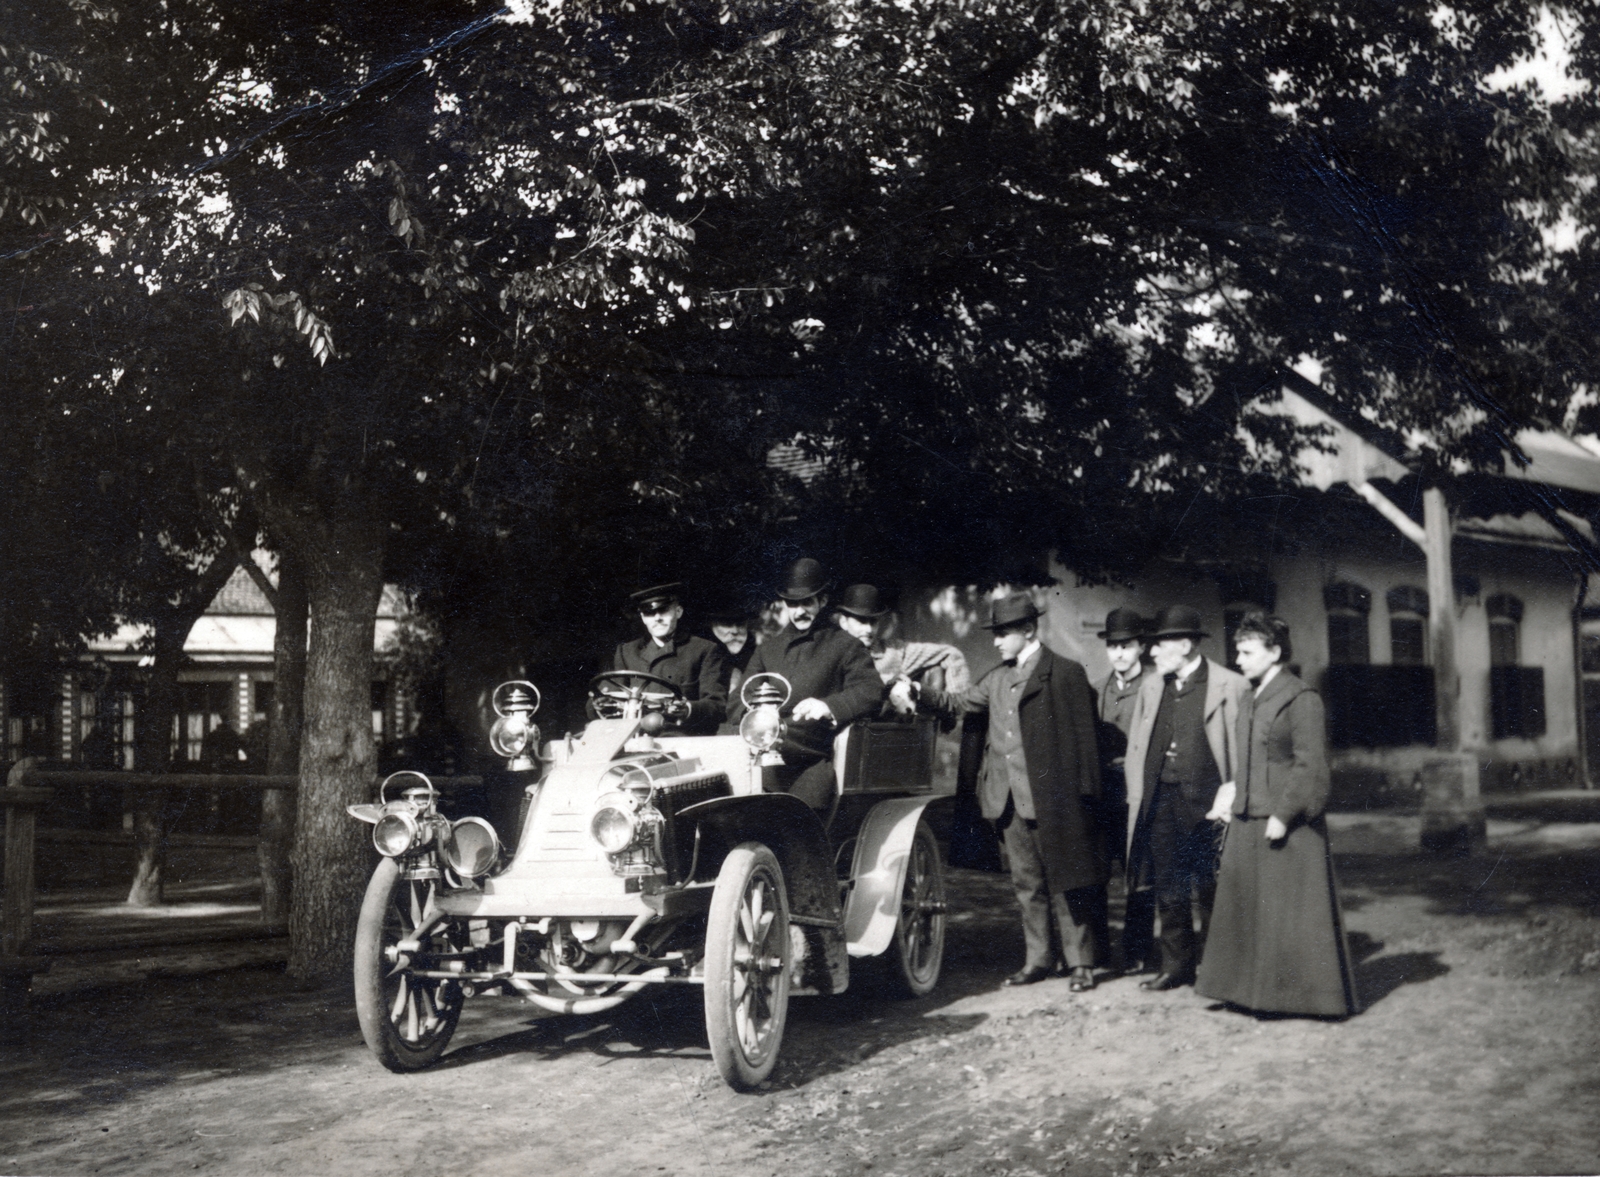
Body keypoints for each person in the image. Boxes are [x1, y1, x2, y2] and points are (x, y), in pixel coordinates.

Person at [911, 593, 1107, 991]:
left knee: (1067, 879)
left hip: (1055, 799)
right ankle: (1038, 960)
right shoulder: (998, 678)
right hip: (1007, 801)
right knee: (1027, 883)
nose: (997, 641)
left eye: (1003, 633)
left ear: (1028, 631)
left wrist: (1086, 796)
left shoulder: (1065, 673)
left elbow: (1087, 739)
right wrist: (917, 693)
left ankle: (1081, 963)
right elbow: (961, 701)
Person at [1196, 612, 1361, 1016]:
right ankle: (1245, 992)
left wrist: (1284, 815)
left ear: (1274, 652)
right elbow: (1249, 760)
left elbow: (1311, 765)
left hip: (1285, 824)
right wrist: (1231, 797)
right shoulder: (1252, 696)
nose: (1238, 659)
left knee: (1286, 913)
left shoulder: (1302, 698)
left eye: (1247, 651)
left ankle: (1294, 998)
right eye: (1237, 650)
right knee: (1246, 907)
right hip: (1247, 816)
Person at [1123, 605, 1250, 992]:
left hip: (1210, 805)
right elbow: (1137, 745)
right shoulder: (1151, 685)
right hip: (1161, 801)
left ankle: (1216, 969)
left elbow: (1244, 752)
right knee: (1169, 885)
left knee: (1212, 887)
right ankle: (1176, 966)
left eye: (1160, 645)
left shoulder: (1230, 685)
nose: (1152, 653)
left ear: (1185, 644)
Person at [727, 558, 884, 809]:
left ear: (822, 601)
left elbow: (871, 690)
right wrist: (757, 716)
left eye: (807, 602)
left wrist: (828, 705)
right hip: (761, 755)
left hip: (810, 760)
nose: (799, 611)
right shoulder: (768, 650)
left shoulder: (844, 645)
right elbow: (737, 700)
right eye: (792, 603)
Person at [1095, 607, 1155, 974]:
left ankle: (1137, 951)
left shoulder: (1155, 685)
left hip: (1139, 793)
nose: (1118, 653)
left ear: (1140, 647)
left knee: (1139, 876)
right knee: (1099, 874)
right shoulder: (1098, 689)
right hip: (1105, 797)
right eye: (1113, 645)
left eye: (1126, 645)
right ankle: (1100, 954)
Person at [604, 582, 728, 735]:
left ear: (678, 611)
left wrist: (687, 708)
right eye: (649, 613)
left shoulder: (704, 649)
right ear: (643, 618)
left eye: (663, 611)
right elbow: (608, 696)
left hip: (681, 736)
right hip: (635, 736)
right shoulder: (627, 652)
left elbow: (716, 705)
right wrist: (599, 702)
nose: (657, 618)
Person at [836, 583, 970, 722]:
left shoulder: (894, 651)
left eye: (873, 622)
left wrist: (954, 706)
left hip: (882, 731)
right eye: (861, 621)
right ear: (843, 622)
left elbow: (951, 653)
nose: (869, 629)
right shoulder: (828, 650)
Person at [706, 601, 758, 703]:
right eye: (727, 624)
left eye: (740, 624)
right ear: (712, 625)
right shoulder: (699, 656)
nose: (735, 631)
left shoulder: (758, 655)